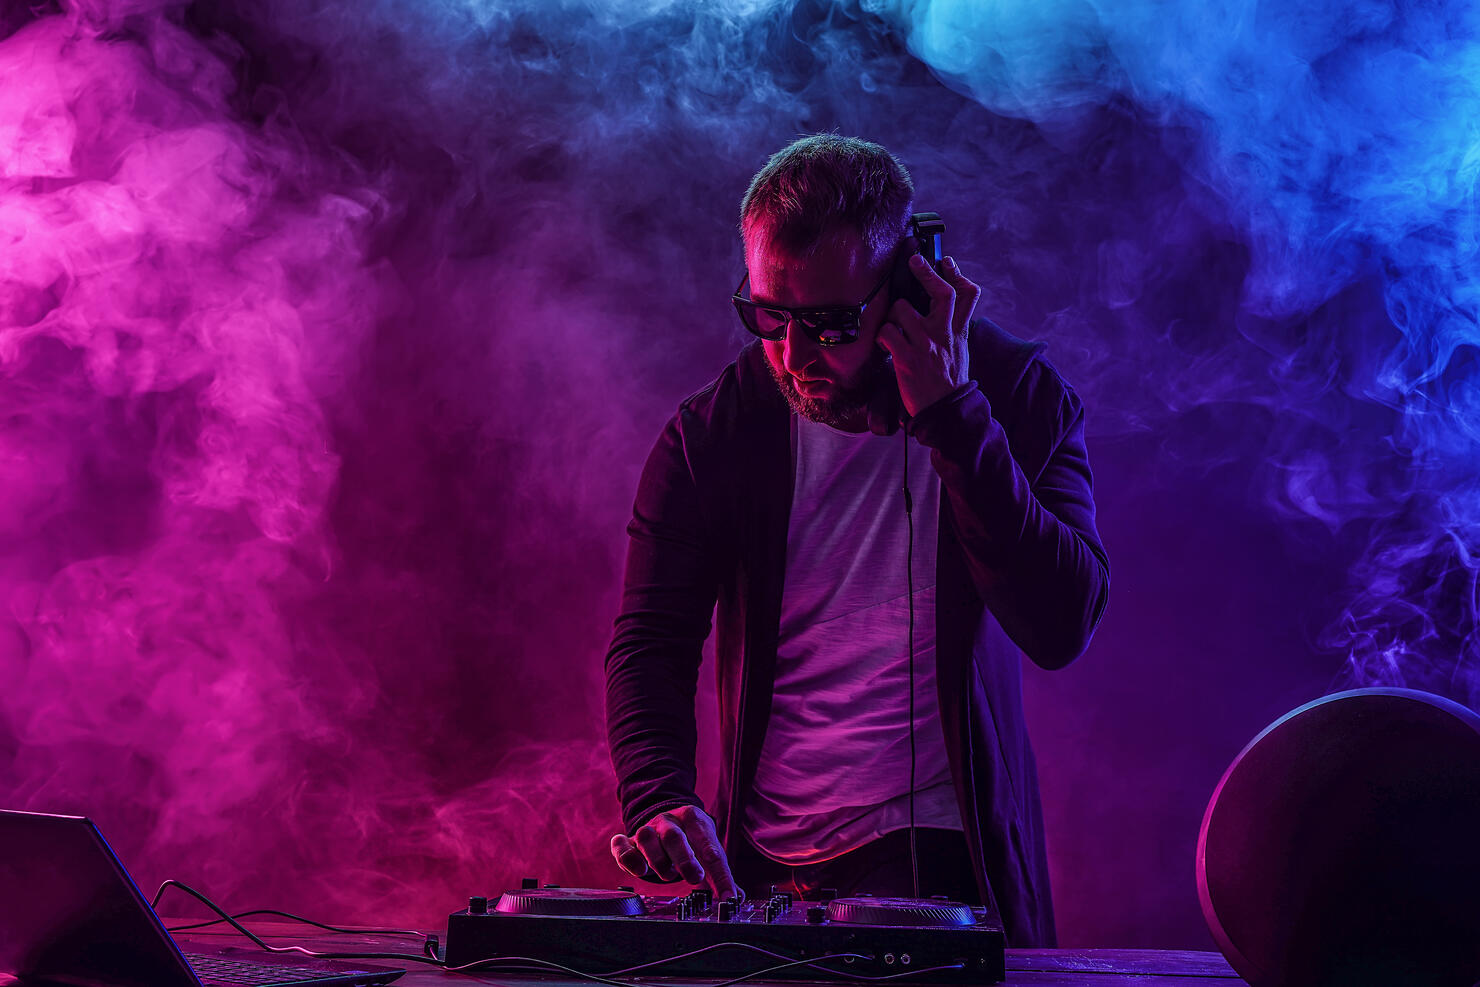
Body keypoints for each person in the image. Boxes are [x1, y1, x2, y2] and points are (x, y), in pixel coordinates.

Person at [603, 134, 1109, 947]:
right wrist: (659, 790)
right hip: (758, 864)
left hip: (943, 862)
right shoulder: (712, 435)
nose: (794, 355)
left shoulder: (1017, 397)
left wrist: (955, 416)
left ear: (908, 289)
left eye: (831, 323)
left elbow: (1061, 623)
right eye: (769, 315)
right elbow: (650, 642)